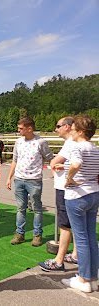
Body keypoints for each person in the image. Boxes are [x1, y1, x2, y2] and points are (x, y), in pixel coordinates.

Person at [60, 115, 99, 293]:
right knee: (91, 236)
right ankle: (93, 278)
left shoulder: (77, 147)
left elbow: (76, 163)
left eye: (74, 129)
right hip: (93, 193)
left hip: (77, 196)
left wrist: (69, 178)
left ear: (81, 132)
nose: (72, 131)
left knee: (81, 238)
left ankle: (83, 278)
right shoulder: (95, 148)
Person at [6, 117, 53, 246]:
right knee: (20, 208)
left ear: (29, 128)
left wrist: (57, 173)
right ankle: (19, 234)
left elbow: (50, 158)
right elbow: (15, 160)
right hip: (19, 179)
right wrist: (9, 177)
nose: (18, 130)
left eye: (21, 128)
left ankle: (37, 234)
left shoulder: (41, 142)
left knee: (37, 209)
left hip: (34, 180)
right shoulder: (18, 142)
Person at [39, 116, 78, 272]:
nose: (56, 129)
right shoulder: (78, 143)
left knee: (65, 225)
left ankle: (59, 260)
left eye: (58, 126)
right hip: (74, 189)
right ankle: (75, 255)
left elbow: (54, 162)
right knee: (75, 223)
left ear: (67, 127)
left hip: (66, 188)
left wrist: (59, 165)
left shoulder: (70, 143)